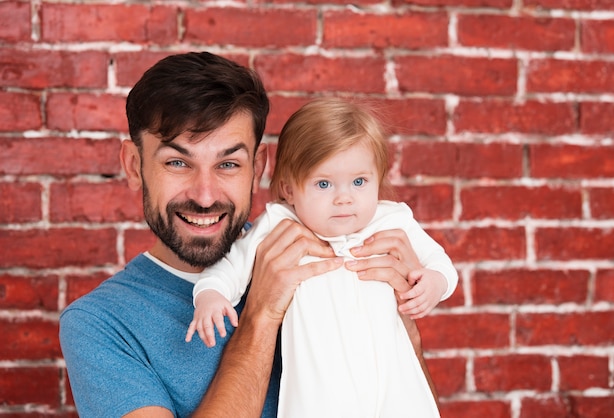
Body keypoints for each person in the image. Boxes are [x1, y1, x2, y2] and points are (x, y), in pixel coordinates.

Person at [58, 52, 438, 418]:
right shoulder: (100, 324)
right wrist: (261, 314)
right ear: (134, 166)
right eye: (177, 162)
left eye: (228, 164)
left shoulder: (328, 251)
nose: (205, 196)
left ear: (258, 167)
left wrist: (403, 322)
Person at [186, 98, 458, 417]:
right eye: (323, 184)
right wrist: (210, 297)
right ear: (289, 189)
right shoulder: (279, 225)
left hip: (392, 385)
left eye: (359, 182)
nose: (344, 198)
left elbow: (442, 266)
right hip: (320, 394)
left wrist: (433, 284)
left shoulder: (393, 221)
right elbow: (227, 270)